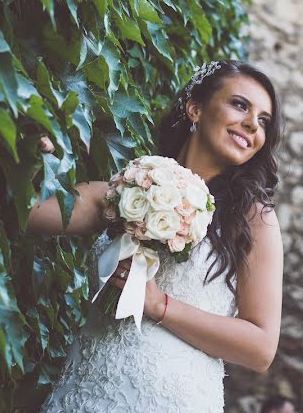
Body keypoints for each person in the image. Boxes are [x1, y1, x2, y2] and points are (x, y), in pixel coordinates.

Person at [29, 60, 285, 413]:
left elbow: (261, 348)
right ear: (195, 107)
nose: (252, 125)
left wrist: (159, 305)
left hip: (172, 400)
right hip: (84, 392)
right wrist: (35, 154)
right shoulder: (129, 189)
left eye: (263, 121)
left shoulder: (253, 220)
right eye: (240, 105)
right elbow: (31, 213)